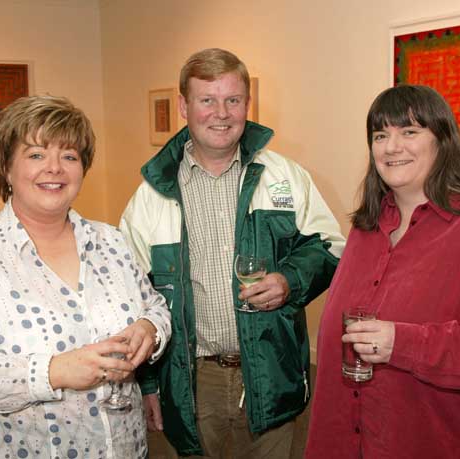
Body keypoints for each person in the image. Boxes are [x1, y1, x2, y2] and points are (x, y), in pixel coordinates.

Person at [119, 48, 345, 458]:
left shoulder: (285, 177)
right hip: (190, 382)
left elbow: (330, 248)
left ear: (247, 104)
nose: (221, 113)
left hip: (272, 372)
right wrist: (148, 385)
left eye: (233, 100)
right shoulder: (151, 196)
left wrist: (289, 280)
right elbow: (132, 297)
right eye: (207, 100)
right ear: (184, 107)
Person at [305, 85, 460, 458]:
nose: (391, 147)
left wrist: (402, 343)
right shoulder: (367, 226)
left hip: (448, 441)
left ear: (442, 140)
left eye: (409, 132)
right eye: (380, 135)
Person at [0, 95, 171, 459]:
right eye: (36, 154)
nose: (54, 168)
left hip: (123, 446)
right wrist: (51, 372)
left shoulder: (111, 241)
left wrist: (149, 327)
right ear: (6, 168)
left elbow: (155, 305)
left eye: (69, 156)